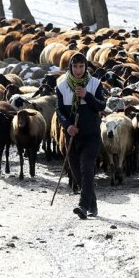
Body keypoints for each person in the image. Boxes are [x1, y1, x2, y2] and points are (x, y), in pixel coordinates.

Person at [55, 52, 107, 219]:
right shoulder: (62, 86)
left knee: (86, 169)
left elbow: (101, 105)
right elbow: (59, 111)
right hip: (72, 137)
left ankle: (83, 206)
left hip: (91, 136)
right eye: (75, 66)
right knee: (77, 174)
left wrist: (87, 96)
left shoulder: (94, 84)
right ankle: (93, 204)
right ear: (70, 67)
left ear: (86, 67)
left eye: (81, 66)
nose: (78, 70)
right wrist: (68, 125)